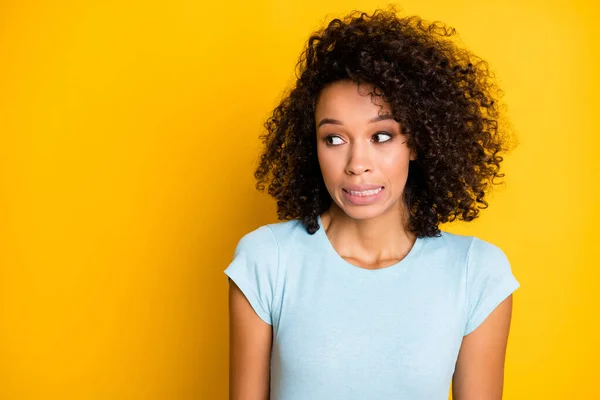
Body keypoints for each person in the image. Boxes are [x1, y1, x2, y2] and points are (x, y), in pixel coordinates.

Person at [225, 7, 520, 400]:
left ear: (415, 142)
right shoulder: (267, 261)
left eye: (381, 136)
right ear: (312, 146)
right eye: (334, 139)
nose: (357, 165)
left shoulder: (477, 273)